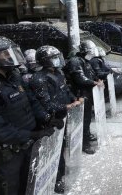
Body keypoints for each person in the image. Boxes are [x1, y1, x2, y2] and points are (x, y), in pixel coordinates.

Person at [0, 36, 55, 195]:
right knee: (9, 190)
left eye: (11, 52)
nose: (10, 56)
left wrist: (46, 118)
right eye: (4, 54)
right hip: (6, 154)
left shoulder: (14, 75)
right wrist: (32, 134)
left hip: (28, 144)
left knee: (30, 185)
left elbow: (31, 101)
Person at [30, 45, 82, 194]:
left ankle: (62, 170)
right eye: (54, 58)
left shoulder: (58, 73)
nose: (58, 60)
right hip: (51, 119)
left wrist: (74, 99)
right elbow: (45, 104)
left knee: (62, 144)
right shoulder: (38, 79)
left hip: (63, 115)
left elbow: (65, 89)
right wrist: (67, 106)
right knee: (53, 150)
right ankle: (56, 179)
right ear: (45, 61)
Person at [66, 40, 104, 154]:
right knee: (82, 119)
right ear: (84, 51)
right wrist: (95, 83)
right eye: (89, 52)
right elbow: (80, 78)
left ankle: (86, 135)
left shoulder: (85, 61)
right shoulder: (75, 61)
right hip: (79, 94)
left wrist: (98, 79)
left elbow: (91, 74)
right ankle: (84, 144)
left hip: (87, 93)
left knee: (87, 118)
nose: (91, 54)